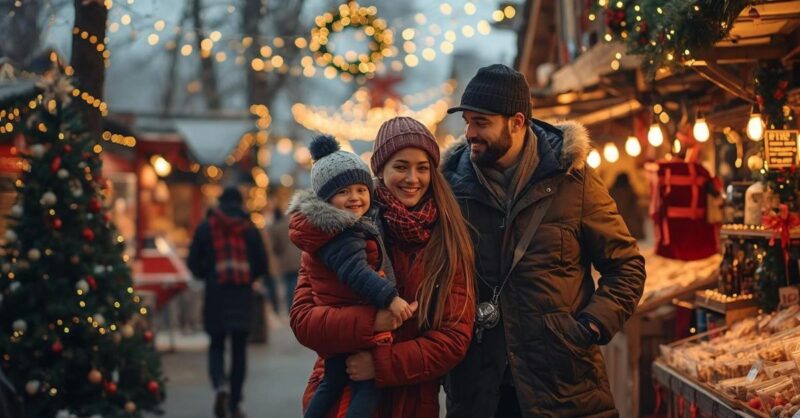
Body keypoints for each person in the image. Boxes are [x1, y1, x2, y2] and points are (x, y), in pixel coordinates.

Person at [441, 64, 646, 417]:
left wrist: (591, 325)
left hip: (563, 383)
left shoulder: (574, 181)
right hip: (479, 389)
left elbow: (626, 266)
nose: (470, 133)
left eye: (481, 122)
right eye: (467, 122)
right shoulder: (450, 186)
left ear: (517, 122)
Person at [290, 116, 476, 418]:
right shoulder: (338, 229)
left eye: (422, 168)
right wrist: (372, 322)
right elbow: (303, 321)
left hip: (410, 403)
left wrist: (380, 365)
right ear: (380, 170)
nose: (412, 178)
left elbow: (453, 339)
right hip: (340, 394)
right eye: (401, 167)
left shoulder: (448, 237)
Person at [288, 134, 415, 418]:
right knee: (366, 388)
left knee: (331, 383)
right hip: (351, 318)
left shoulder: (338, 229)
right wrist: (390, 298)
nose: (355, 198)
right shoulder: (342, 233)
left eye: (361, 189)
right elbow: (356, 273)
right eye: (344, 192)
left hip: (341, 321)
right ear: (326, 199)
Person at [187, 186, 269, 418]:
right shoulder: (249, 228)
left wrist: (208, 274)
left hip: (216, 295)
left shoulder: (205, 227)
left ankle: (219, 386)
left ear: (220, 202)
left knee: (216, 345)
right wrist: (248, 277)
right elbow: (262, 263)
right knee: (239, 350)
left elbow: (193, 263)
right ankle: (235, 402)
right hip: (242, 296)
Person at [268, 205, 302, 314]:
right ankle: (299, 305)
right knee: (298, 283)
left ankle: (291, 307)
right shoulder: (290, 224)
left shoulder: (275, 228)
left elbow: (275, 247)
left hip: (286, 261)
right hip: (298, 257)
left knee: (289, 284)